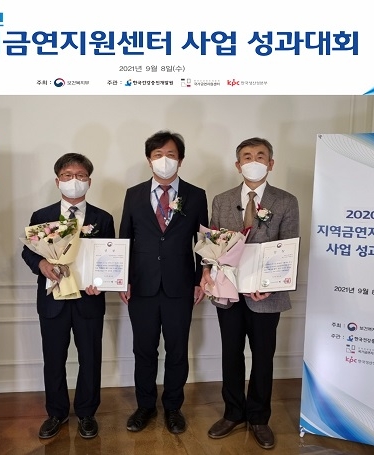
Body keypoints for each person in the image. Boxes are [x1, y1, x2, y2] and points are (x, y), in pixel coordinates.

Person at [202, 138, 299, 449]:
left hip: (266, 296)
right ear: (238, 165)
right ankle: (233, 413)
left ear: (271, 163)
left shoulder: (286, 201)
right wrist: (207, 270)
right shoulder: (222, 200)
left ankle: (259, 417)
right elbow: (213, 244)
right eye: (247, 156)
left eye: (260, 156)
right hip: (228, 292)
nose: (253, 161)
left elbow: (288, 249)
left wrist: (267, 284)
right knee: (230, 354)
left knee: (262, 357)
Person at [119, 130, 208, 434]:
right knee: (144, 350)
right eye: (158, 155)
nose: (164, 160)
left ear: (180, 160)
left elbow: (203, 242)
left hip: (180, 286)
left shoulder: (196, 195)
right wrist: (123, 279)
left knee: (177, 350)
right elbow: (125, 239)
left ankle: (173, 407)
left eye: (170, 155)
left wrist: (200, 279)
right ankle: (145, 406)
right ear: (149, 160)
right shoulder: (133, 194)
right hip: (141, 285)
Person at [22, 153, 115, 440]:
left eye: (80, 175)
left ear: (89, 181)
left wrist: (102, 282)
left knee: (90, 358)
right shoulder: (41, 216)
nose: (74, 180)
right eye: (67, 175)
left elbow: (110, 257)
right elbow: (28, 251)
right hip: (53, 299)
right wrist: (41, 264)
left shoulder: (103, 218)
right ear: (57, 181)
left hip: (89, 299)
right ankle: (56, 413)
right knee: (53, 359)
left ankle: (87, 414)